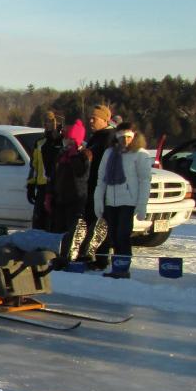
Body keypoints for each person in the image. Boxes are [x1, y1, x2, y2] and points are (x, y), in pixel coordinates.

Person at [92, 124, 152, 279]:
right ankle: (117, 268)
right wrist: (98, 201)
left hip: (128, 201)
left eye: (128, 137)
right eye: (122, 137)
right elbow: (101, 179)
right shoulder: (109, 153)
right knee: (113, 235)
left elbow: (145, 180)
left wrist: (142, 205)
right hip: (111, 201)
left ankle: (123, 269)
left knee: (122, 235)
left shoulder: (140, 154)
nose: (125, 140)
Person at [84, 103, 118, 268]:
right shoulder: (96, 136)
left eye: (94, 118)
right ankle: (91, 255)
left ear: (105, 120)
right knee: (91, 221)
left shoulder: (109, 137)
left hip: (102, 187)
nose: (91, 121)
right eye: (90, 118)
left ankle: (101, 258)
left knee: (101, 224)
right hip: (92, 185)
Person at [26, 112, 63, 230]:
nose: (47, 124)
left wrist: (57, 139)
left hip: (57, 189)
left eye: (51, 121)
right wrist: (31, 184)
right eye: (46, 121)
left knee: (53, 224)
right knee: (38, 222)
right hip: (42, 187)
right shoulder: (40, 142)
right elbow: (34, 166)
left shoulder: (62, 142)